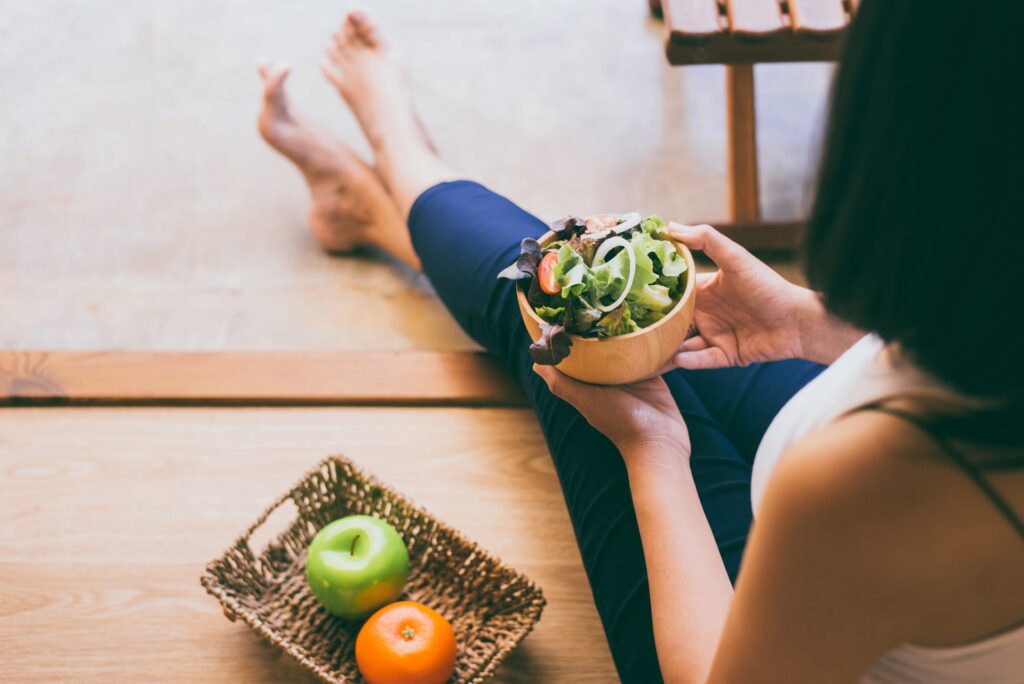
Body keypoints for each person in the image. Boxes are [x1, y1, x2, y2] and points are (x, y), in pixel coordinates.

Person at [257, 3, 1024, 681]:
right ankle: (372, 199)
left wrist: (653, 447)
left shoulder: (851, 488)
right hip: (921, 459)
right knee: (590, 313)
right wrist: (808, 325)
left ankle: (396, 153)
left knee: (543, 319)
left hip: (750, 643)